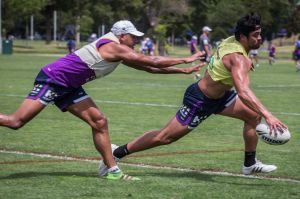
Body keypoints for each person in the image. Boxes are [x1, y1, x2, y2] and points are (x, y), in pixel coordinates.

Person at [0, 20, 204, 180]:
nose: (136, 40)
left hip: (69, 86)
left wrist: (182, 70)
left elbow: (148, 67)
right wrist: (185, 58)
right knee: (15, 122)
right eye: (133, 37)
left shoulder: (121, 50)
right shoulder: (114, 47)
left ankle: (112, 170)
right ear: (122, 36)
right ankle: (111, 168)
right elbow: (152, 60)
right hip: (54, 79)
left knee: (99, 122)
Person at [99, 14, 288, 177]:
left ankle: (249, 164)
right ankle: (117, 152)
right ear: (242, 36)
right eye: (255, 35)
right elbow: (244, 92)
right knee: (165, 137)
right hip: (200, 100)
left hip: (221, 97)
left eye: (260, 34)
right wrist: (270, 116)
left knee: (253, 115)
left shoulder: (232, 41)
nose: (260, 39)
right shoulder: (238, 58)